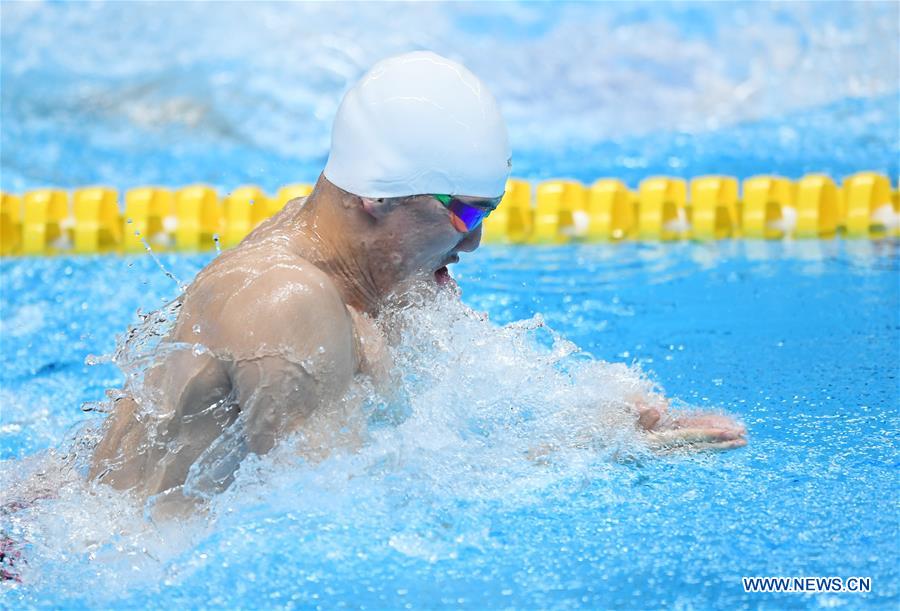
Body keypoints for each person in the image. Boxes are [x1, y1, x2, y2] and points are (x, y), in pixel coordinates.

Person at [88, 51, 746, 508]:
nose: (475, 239)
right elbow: (329, 516)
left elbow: (412, 444)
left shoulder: (367, 269)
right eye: (463, 211)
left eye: (488, 212)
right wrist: (585, 450)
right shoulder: (288, 301)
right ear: (376, 197)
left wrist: (598, 419)